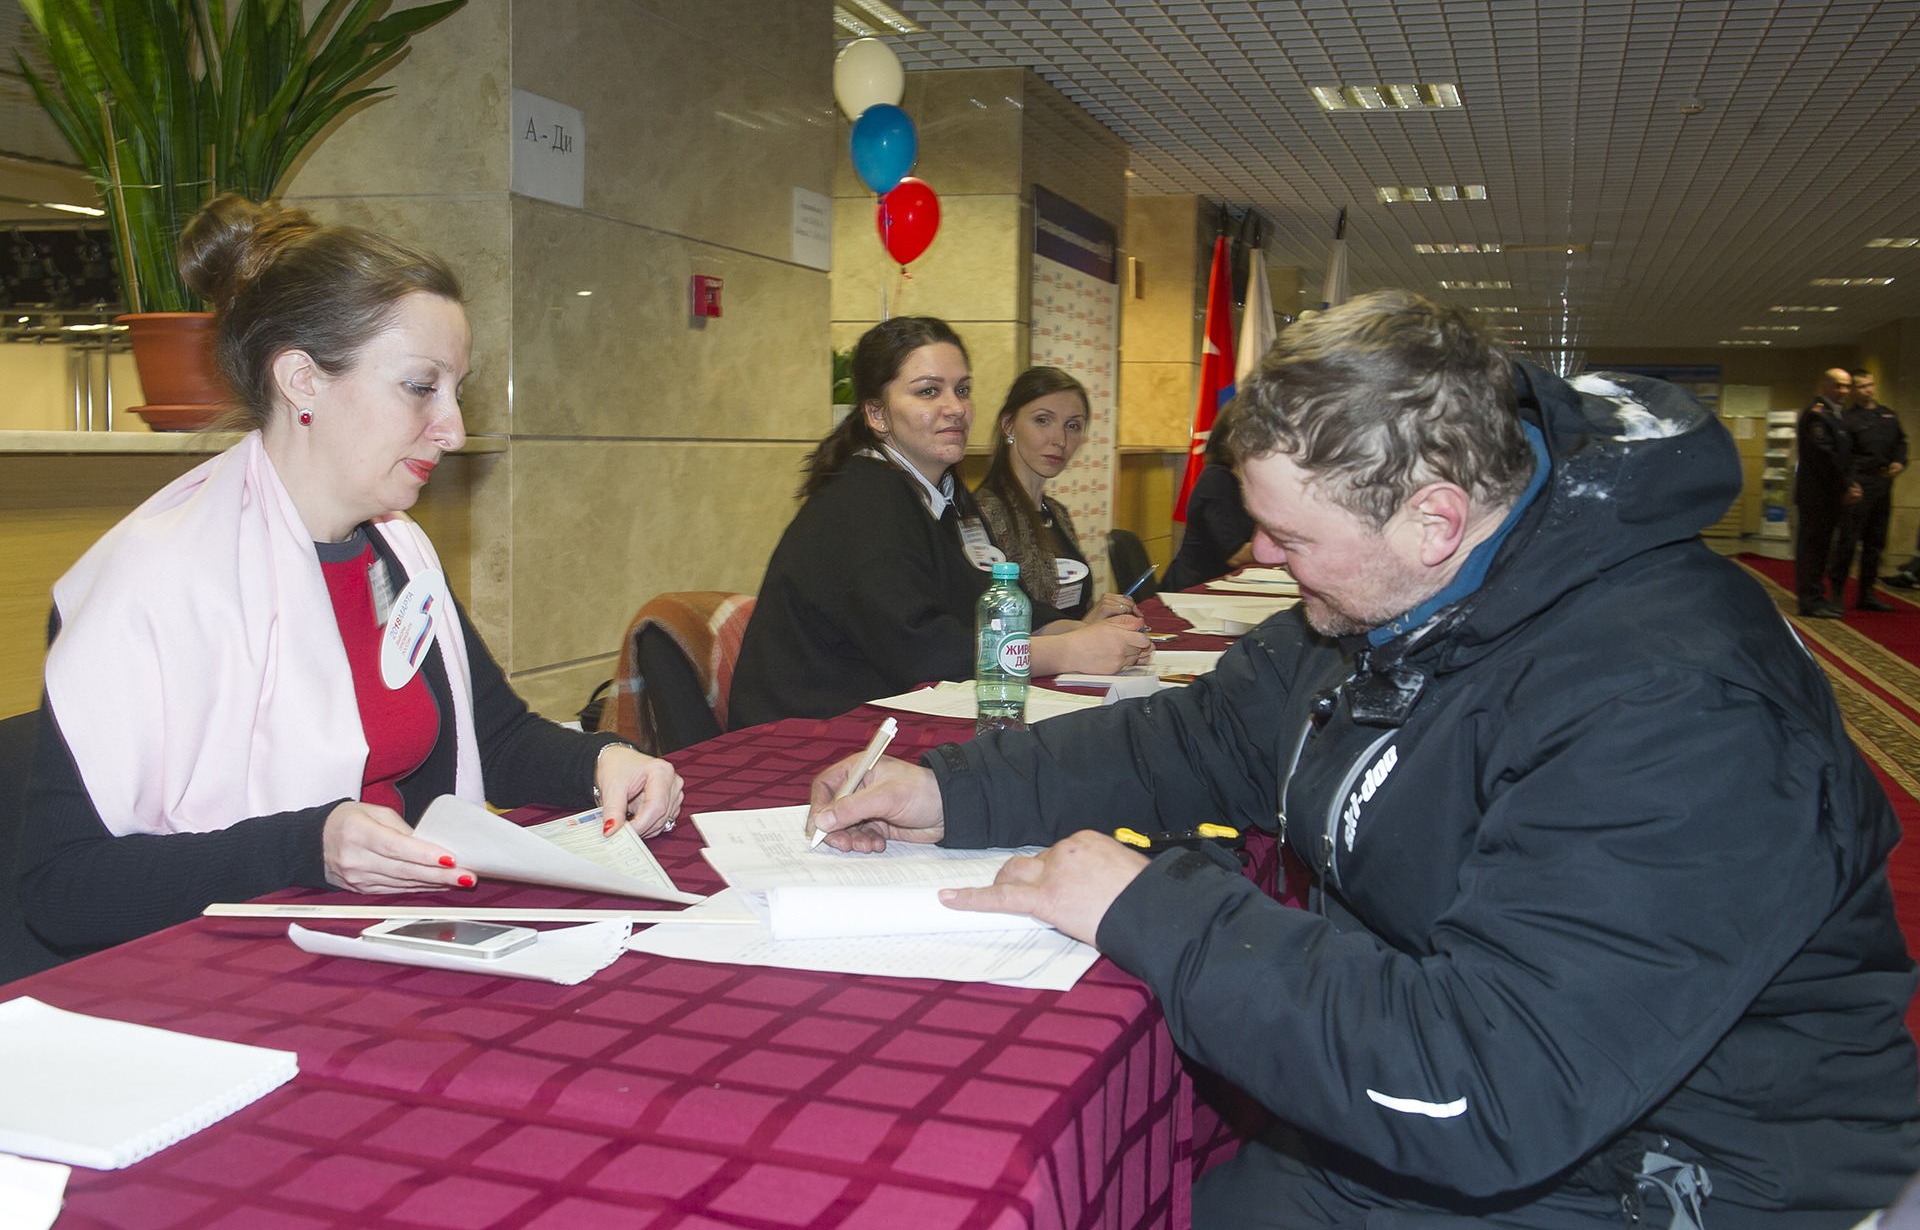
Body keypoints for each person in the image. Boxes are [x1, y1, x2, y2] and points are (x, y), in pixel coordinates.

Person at [805, 293, 1920, 1227]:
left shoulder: (1677, 704)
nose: (1260, 554)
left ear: (1435, 519)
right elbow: (1199, 735)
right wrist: (953, 788)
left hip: (1683, 1166)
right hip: (1497, 1101)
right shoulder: (1411, 593)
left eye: (1291, 536)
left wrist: (1155, 907)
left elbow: (1489, 1087)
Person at [15, 196, 683, 958]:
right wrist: (308, 848)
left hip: (382, 941)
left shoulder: (396, 553)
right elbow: (63, 888)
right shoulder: (154, 583)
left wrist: (601, 761)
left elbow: (491, 737)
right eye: (421, 387)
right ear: (301, 379)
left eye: (456, 391)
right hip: (227, 972)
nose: (454, 430)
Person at [729, 317, 1151, 726]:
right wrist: (1069, 651)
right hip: (807, 733)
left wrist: (1076, 628)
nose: (956, 408)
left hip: (886, 716)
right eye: (929, 391)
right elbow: (922, 650)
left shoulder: (943, 495)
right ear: (876, 414)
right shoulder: (863, 497)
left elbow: (983, 598)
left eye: (962, 390)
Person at [973, 366, 1136, 622]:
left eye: (1072, 426)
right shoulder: (982, 514)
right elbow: (995, 623)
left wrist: (1101, 615)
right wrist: (1085, 628)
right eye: (1043, 420)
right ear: (1008, 425)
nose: (1060, 440)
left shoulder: (1057, 513)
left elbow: (1074, 607)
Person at [1161, 394, 1256, 592]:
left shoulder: (1240, 479)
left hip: (1223, 587)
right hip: (1193, 592)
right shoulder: (1217, 480)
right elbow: (1236, 555)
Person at [1829, 369, 1907, 612]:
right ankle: (1837, 593)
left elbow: (1901, 443)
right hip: (1859, 484)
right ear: (1854, 390)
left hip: (1883, 484)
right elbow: (1841, 455)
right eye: (1863, 386)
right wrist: (1847, 484)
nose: (1869, 390)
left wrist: (1900, 461)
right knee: (1848, 541)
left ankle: (1866, 594)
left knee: (1875, 543)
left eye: (1871, 385)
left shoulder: (1888, 415)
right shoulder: (1847, 419)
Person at [1795, 367, 1859, 618]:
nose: (1844, 391)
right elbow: (1824, 457)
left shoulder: (1836, 415)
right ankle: (1810, 600)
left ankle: (1815, 596)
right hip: (1817, 496)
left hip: (1830, 494)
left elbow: (1844, 456)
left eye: (1847, 386)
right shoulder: (1817, 415)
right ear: (1825, 386)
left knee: (1822, 548)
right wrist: (1845, 487)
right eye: (1838, 385)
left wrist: (1849, 484)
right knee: (1812, 549)